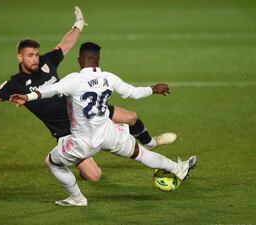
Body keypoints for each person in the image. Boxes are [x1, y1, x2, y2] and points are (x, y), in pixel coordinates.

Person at [0, 6, 176, 182]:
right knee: (95, 176)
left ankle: (151, 142)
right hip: (69, 133)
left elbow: (65, 45)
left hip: (87, 113)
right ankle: (81, 173)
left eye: (36, 53)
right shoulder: (15, 84)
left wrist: (78, 25)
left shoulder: (47, 63)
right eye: (30, 55)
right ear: (20, 57)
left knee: (131, 116)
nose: (35, 58)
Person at [10, 42, 197, 206]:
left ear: (79, 60)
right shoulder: (109, 77)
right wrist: (153, 89)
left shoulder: (74, 79)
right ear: (97, 60)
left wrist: (27, 96)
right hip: (108, 133)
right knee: (139, 153)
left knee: (52, 162)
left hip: (83, 142)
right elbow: (132, 93)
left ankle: (77, 198)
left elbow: (49, 90)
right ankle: (177, 168)